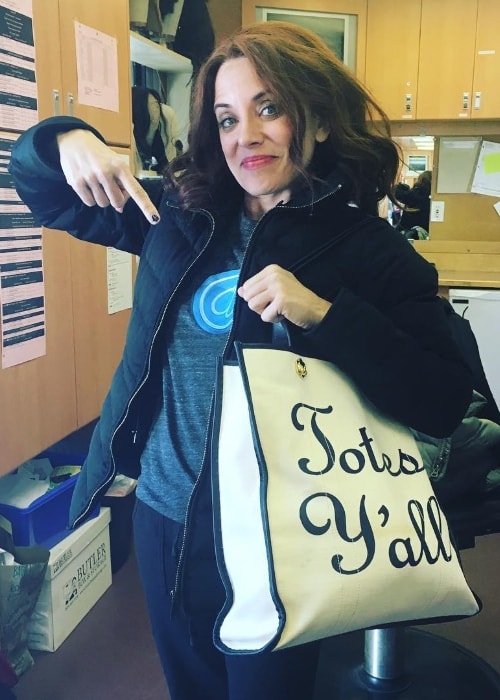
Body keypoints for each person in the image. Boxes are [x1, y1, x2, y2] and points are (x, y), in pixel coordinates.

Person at [9, 22, 473, 700]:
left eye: (269, 108)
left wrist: (326, 314)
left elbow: (441, 397)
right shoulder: (179, 214)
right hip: (166, 518)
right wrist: (63, 138)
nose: (245, 135)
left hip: (287, 532)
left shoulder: (371, 249)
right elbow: (41, 192)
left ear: (314, 120)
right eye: (228, 117)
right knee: (190, 686)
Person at [131, 85, 177, 174]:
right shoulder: (131, 138)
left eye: (157, 105)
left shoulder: (164, 130)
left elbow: (169, 167)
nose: (156, 111)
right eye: (152, 106)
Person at [394, 169, 432, 235]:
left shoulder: (414, 194)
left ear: (421, 181)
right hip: (425, 233)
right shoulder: (433, 199)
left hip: (407, 231)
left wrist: (404, 187)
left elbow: (396, 192)